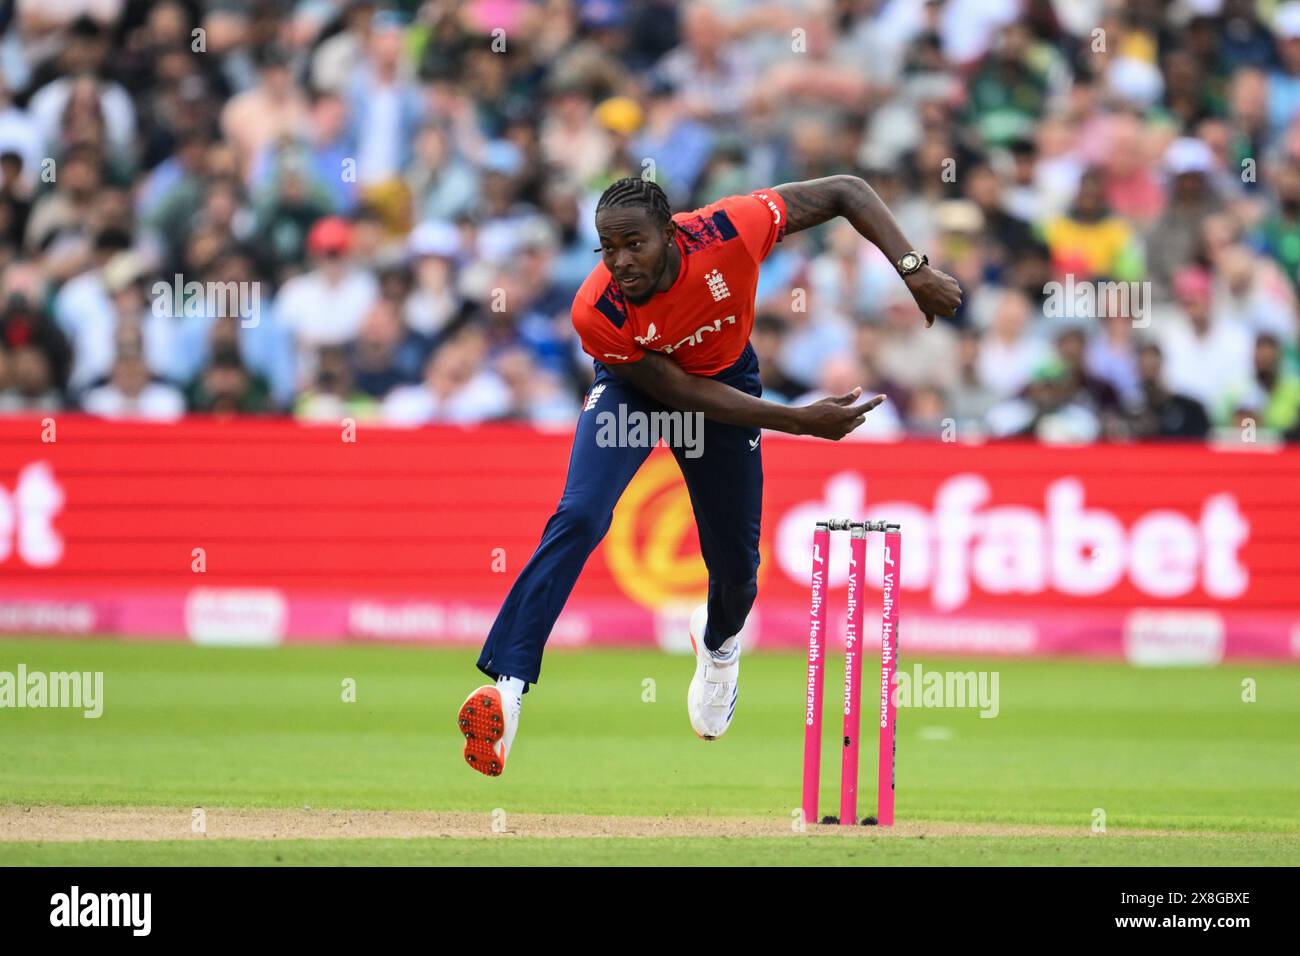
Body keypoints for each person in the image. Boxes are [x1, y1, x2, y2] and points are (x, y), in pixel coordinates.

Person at [457, 176, 961, 777]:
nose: (619, 262)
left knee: (738, 578)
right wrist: (797, 421)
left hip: (726, 386)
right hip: (637, 393)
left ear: (670, 235)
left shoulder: (732, 229)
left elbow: (848, 192)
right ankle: (509, 691)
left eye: (633, 244)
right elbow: (676, 391)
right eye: (606, 248)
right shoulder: (596, 309)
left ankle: (718, 647)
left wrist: (913, 268)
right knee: (581, 513)